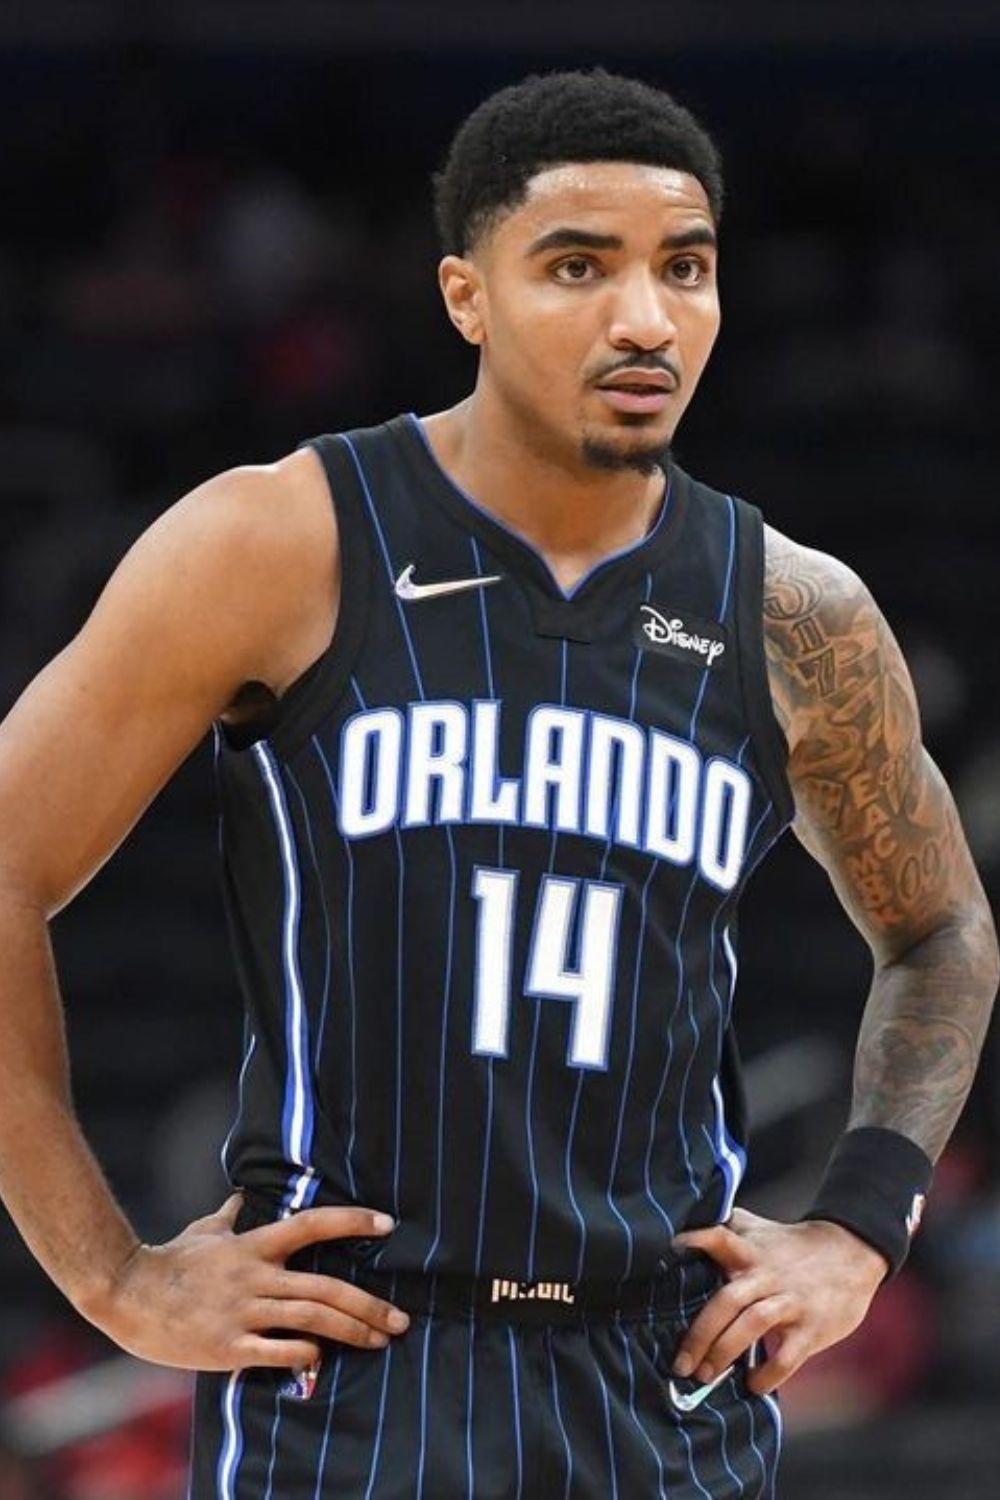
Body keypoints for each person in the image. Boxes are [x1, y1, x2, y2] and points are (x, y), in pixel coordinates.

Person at [0, 68, 995, 1500]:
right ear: (466, 294)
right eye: (579, 267)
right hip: (349, 1374)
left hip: (663, 1378)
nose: (645, 317)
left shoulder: (797, 613)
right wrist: (108, 1275)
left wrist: (858, 1226)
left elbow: (944, 930)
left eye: (687, 268)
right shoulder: (275, 542)